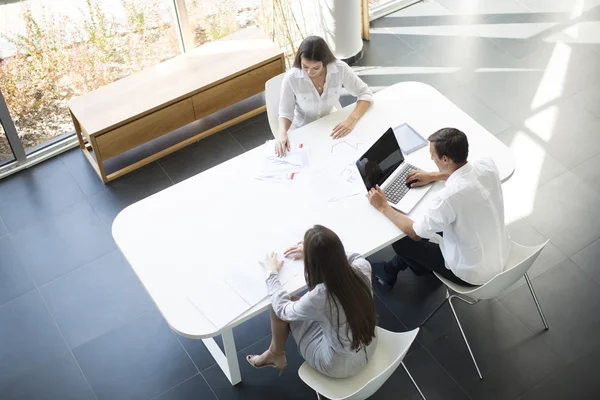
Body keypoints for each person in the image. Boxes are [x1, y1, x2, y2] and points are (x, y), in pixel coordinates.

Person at [366, 127, 511, 287]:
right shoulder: (487, 164)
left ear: (445, 159)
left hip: (472, 274)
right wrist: (433, 175)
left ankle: (417, 269)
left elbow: (415, 233)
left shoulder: (448, 197)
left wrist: (383, 206)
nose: (431, 158)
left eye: (432, 154)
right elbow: (465, 173)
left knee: (403, 243)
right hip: (501, 253)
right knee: (432, 223)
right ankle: (393, 268)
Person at [247, 225, 378, 378]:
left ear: (311, 261)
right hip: (370, 345)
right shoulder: (362, 267)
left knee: (278, 308)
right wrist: (324, 255)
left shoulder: (320, 296)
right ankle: (274, 354)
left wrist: (271, 273)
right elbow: (355, 257)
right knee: (311, 309)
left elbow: (282, 310)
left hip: (339, 366)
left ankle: (275, 354)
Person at [275, 36, 374, 156]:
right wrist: (281, 134)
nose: (309, 73)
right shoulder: (292, 78)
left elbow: (365, 93)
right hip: (303, 129)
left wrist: (351, 120)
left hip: (330, 126)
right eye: (305, 66)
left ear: (325, 62)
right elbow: (285, 112)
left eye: (316, 68)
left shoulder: (339, 68)